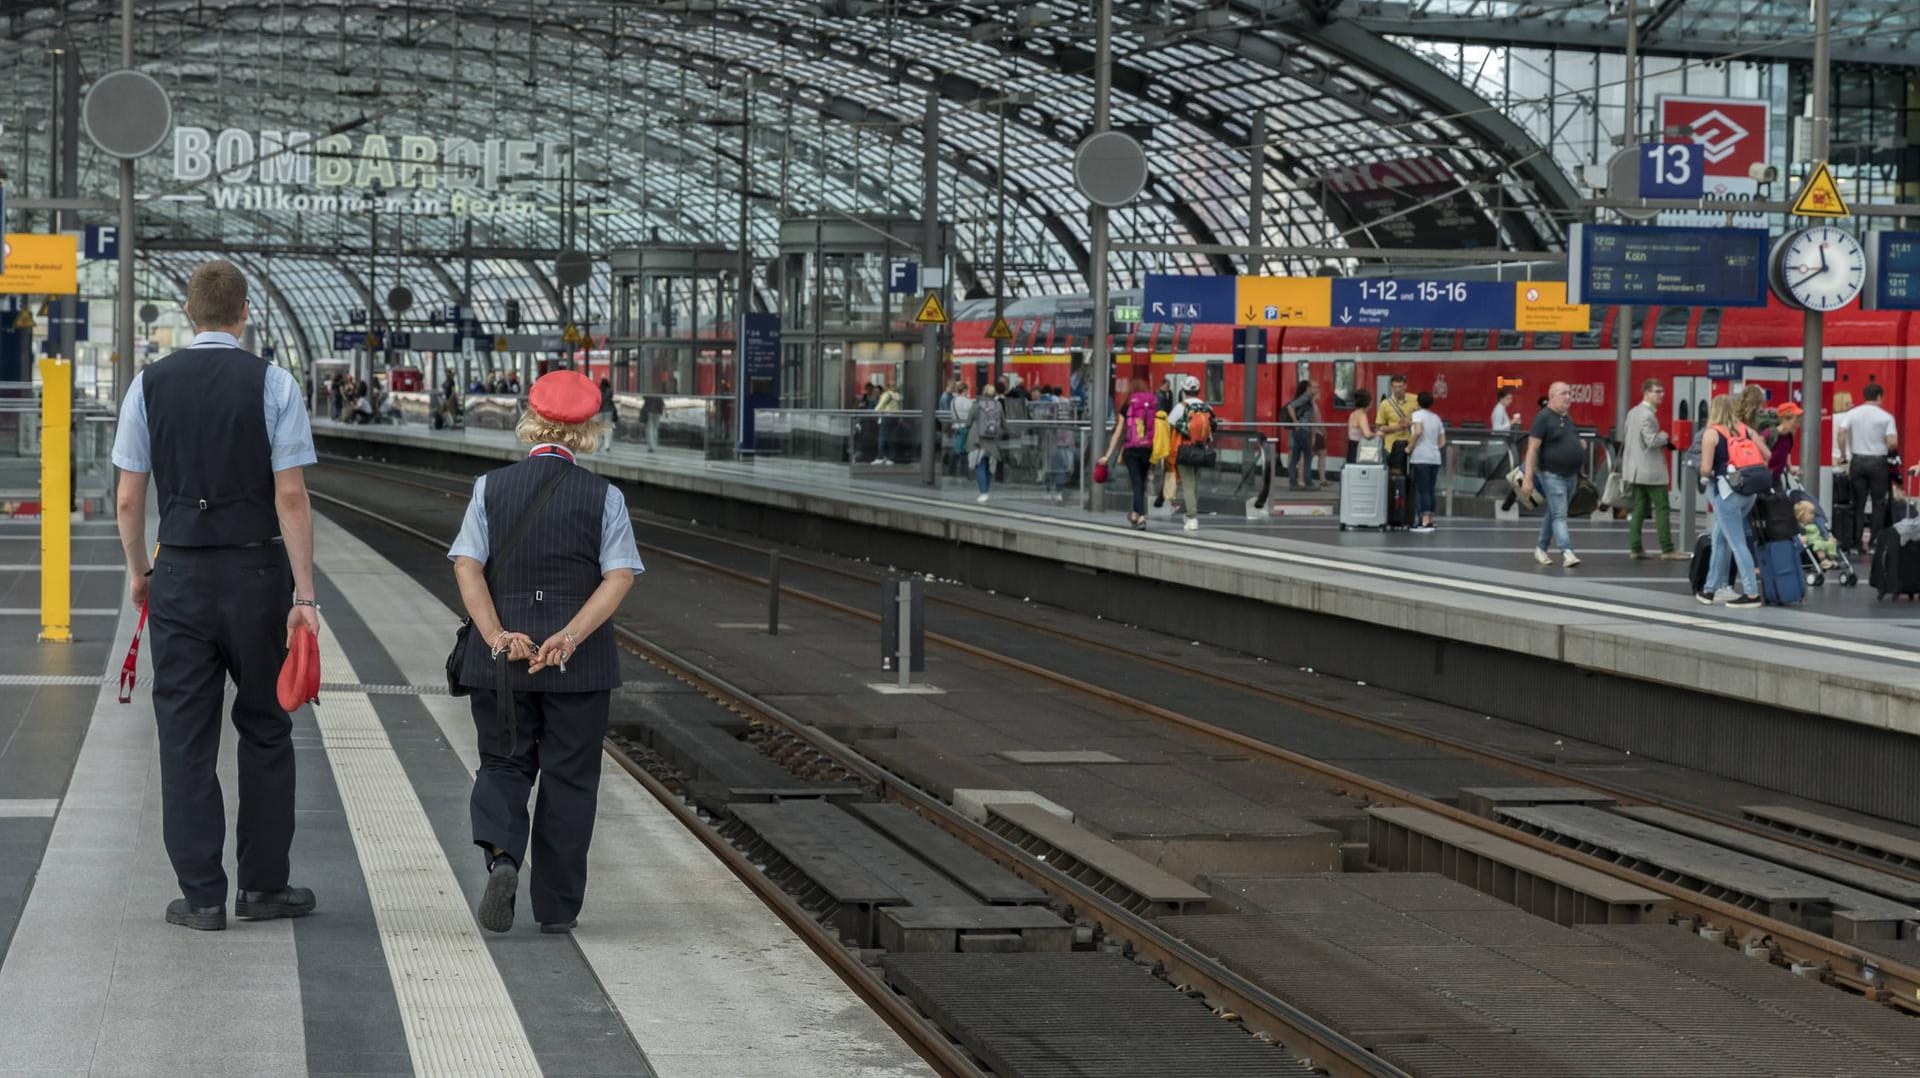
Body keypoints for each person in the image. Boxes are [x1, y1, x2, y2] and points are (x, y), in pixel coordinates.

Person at [110, 260, 320, 932]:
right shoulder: (275, 384)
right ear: (244, 313)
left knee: (184, 736)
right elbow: (291, 496)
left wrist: (142, 571)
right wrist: (305, 596)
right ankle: (263, 888)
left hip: (181, 579)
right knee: (265, 727)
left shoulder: (147, 386)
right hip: (258, 577)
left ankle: (201, 895)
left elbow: (126, 499)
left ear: (189, 311)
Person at [449, 369, 644, 934]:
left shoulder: (490, 488)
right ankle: (556, 910)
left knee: (503, 763)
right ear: (591, 430)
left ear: (529, 422)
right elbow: (619, 577)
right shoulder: (606, 497)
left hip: (503, 664)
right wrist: (569, 637)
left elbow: (467, 565)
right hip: (576, 668)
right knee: (570, 780)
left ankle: (504, 857)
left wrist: (496, 638)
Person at [1698, 394, 1763, 608]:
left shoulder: (1712, 433)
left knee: (1736, 543)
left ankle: (1752, 594)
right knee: (1719, 539)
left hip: (1727, 494)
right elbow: (1767, 454)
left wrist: (1703, 473)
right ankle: (1710, 590)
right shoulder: (1745, 429)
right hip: (1748, 493)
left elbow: (1707, 469)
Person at [1520, 381, 1583, 568]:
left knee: (1555, 512)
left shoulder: (1566, 418)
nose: (1568, 397)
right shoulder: (1543, 418)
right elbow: (1532, 449)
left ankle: (1541, 548)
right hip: (1552, 474)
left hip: (1571, 475)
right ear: (1552, 397)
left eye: (1569, 393)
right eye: (1564, 393)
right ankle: (1567, 551)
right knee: (1560, 514)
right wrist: (1528, 478)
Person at [1621, 379, 1684, 559]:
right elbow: (1651, 441)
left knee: (1640, 508)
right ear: (1646, 393)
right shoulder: (1647, 415)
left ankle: (1635, 548)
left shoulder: (1633, 412)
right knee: (1662, 507)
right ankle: (1667, 549)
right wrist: (1664, 436)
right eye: (1657, 391)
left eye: (1662, 391)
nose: (1661, 395)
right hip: (1650, 470)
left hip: (1635, 470)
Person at [1101, 378, 1158, 529]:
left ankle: (1141, 517)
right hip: (1148, 448)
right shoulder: (1152, 406)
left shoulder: (1127, 406)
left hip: (1131, 449)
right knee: (1141, 483)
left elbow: (1118, 432)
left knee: (1137, 483)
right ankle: (1134, 513)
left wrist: (1107, 455)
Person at [1846, 382, 1898, 545]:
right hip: (1878, 462)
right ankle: (1875, 541)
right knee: (1878, 504)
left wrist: (1842, 453)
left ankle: (1855, 543)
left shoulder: (1852, 413)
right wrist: (1882, 445)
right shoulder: (1886, 417)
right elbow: (1893, 443)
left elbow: (1841, 433)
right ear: (1879, 397)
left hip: (1858, 460)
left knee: (1858, 503)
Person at [1167, 375, 1214, 532]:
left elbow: (1170, 424)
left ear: (1184, 390)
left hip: (1185, 450)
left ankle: (1192, 517)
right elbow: (1213, 426)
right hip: (1201, 451)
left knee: (1188, 484)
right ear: (1199, 390)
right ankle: (1190, 515)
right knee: (1194, 484)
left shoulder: (1181, 407)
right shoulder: (1207, 407)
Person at [1407, 391, 1445, 532]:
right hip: (1435, 458)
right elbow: (1442, 442)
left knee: (1421, 490)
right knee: (1430, 489)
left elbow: (1417, 431)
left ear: (1418, 402)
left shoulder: (1417, 415)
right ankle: (1430, 519)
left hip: (1421, 457)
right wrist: (1432, 446)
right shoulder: (1436, 418)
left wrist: (1409, 447)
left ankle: (1423, 521)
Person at [968, 383, 1006, 503]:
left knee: (980, 465)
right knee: (989, 467)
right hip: (992, 440)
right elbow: (1004, 423)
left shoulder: (977, 405)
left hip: (978, 440)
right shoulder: (998, 405)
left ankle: (983, 492)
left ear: (983, 393)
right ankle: (986, 491)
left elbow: (969, 421)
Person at [1375, 374, 1415, 473]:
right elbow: (1380, 427)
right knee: (1396, 476)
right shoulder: (1385, 404)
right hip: (1391, 447)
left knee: (1413, 476)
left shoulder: (1415, 400)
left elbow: (1424, 417)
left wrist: (1409, 423)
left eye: (1400, 386)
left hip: (1412, 445)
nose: (1397, 390)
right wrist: (1398, 427)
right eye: (1394, 387)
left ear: (1405, 386)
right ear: (1391, 387)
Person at [1284, 379, 1319, 491]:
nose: (1317, 389)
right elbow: (1291, 407)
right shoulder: (1306, 397)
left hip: (1298, 431)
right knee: (1308, 457)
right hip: (1303, 431)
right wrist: (1296, 422)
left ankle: (1293, 483)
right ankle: (1308, 482)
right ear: (1309, 388)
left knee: (1295, 458)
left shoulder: (1308, 398)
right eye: (1315, 387)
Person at [1768, 401, 1801, 486]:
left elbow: (1786, 455)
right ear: (1784, 419)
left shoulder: (1789, 436)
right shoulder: (1770, 434)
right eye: (1796, 419)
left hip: (1777, 480)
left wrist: (1790, 468)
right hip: (1766, 480)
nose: (1798, 424)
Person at [948, 380, 974, 477]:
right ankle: (964, 471)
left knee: (958, 449)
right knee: (963, 451)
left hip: (956, 427)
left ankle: (952, 470)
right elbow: (972, 414)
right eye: (967, 390)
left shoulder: (953, 401)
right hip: (965, 428)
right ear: (965, 390)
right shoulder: (967, 402)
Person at [874, 379, 903, 465]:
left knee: (882, 437)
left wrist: (874, 412)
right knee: (891, 438)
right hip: (894, 418)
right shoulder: (898, 396)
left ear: (887, 387)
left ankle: (880, 457)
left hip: (886, 417)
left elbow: (879, 407)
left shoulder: (887, 395)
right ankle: (890, 458)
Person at [1345, 388, 1375, 463]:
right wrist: (1378, 434)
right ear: (1368, 402)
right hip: (1358, 448)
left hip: (1351, 446)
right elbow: (1367, 434)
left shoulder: (1353, 413)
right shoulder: (1362, 415)